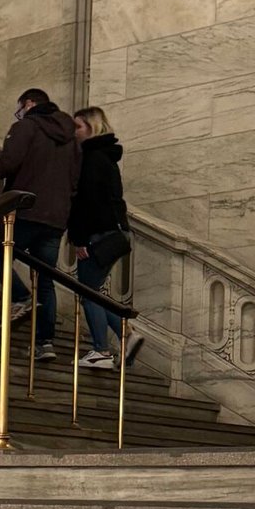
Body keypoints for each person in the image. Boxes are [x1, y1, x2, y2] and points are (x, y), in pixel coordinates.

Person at [0, 87, 79, 363]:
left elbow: (9, 161)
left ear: (29, 104)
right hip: (56, 218)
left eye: (20, 107)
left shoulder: (25, 127)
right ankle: (45, 343)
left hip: (26, 210)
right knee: (46, 279)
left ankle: (22, 298)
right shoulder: (72, 138)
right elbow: (75, 180)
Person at [69, 106, 143, 370]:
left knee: (88, 293)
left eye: (77, 126)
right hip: (115, 231)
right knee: (93, 292)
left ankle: (101, 349)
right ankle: (127, 334)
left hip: (98, 233)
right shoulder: (106, 158)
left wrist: (79, 239)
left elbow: (85, 203)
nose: (73, 132)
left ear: (91, 128)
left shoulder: (92, 159)